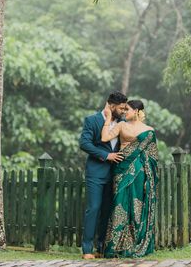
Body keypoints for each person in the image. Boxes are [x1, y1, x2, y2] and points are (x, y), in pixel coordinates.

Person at [101, 99, 159, 258]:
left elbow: (153, 157)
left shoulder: (149, 131)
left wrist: (147, 173)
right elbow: (105, 138)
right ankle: (116, 245)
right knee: (119, 203)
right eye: (124, 110)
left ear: (137, 112)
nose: (125, 112)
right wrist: (107, 119)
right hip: (121, 169)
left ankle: (133, 244)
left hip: (139, 171)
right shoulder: (121, 125)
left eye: (128, 110)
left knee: (136, 205)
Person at [79, 91, 127, 259]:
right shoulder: (92, 120)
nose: (123, 111)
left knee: (107, 211)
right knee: (94, 209)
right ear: (111, 105)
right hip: (96, 173)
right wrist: (107, 155)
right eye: (121, 108)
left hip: (115, 175)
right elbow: (84, 144)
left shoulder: (123, 123)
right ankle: (87, 249)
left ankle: (101, 247)